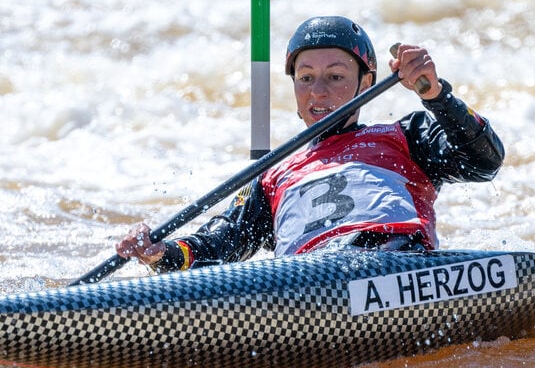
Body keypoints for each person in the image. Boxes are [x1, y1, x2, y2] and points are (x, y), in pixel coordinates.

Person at [115, 15, 504, 272]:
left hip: (396, 265)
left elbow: (484, 161)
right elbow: (218, 246)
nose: (318, 93)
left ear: (365, 84)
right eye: (305, 78)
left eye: (335, 77)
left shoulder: (407, 136)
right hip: (305, 284)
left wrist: (435, 94)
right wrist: (161, 253)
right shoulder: (271, 175)